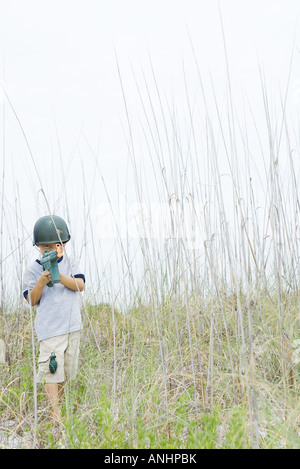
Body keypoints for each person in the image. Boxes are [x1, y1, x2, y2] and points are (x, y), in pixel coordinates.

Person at [22, 215, 85, 423]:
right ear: (38, 247)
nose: (48, 250)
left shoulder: (70, 262)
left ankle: (63, 410)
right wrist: (42, 280)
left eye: (54, 246)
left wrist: (58, 276)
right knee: (51, 372)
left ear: (63, 245)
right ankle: (55, 416)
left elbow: (80, 285)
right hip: (50, 331)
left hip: (72, 326)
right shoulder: (33, 269)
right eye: (43, 247)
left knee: (66, 372)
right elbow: (32, 299)